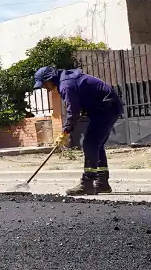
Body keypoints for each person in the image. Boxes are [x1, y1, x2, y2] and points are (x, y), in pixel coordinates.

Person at [34, 66, 124, 195]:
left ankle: (87, 183)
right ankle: (102, 183)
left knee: (90, 143)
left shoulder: (66, 85)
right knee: (96, 144)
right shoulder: (66, 80)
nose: (46, 89)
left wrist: (65, 132)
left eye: (44, 85)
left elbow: (73, 112)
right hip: (106, 107)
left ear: (50, 79)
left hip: (106, 107)